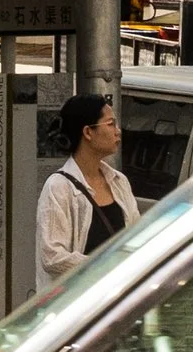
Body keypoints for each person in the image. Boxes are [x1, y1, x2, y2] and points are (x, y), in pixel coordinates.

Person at [35, 90, 139, 289]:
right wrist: (105, 264)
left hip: (116, 301)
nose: (118, 131)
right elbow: (52, 256)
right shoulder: (59, 187)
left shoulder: (119, 181)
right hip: (76, 307)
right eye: (110, 124)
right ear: (88, 132)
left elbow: (135, 237)